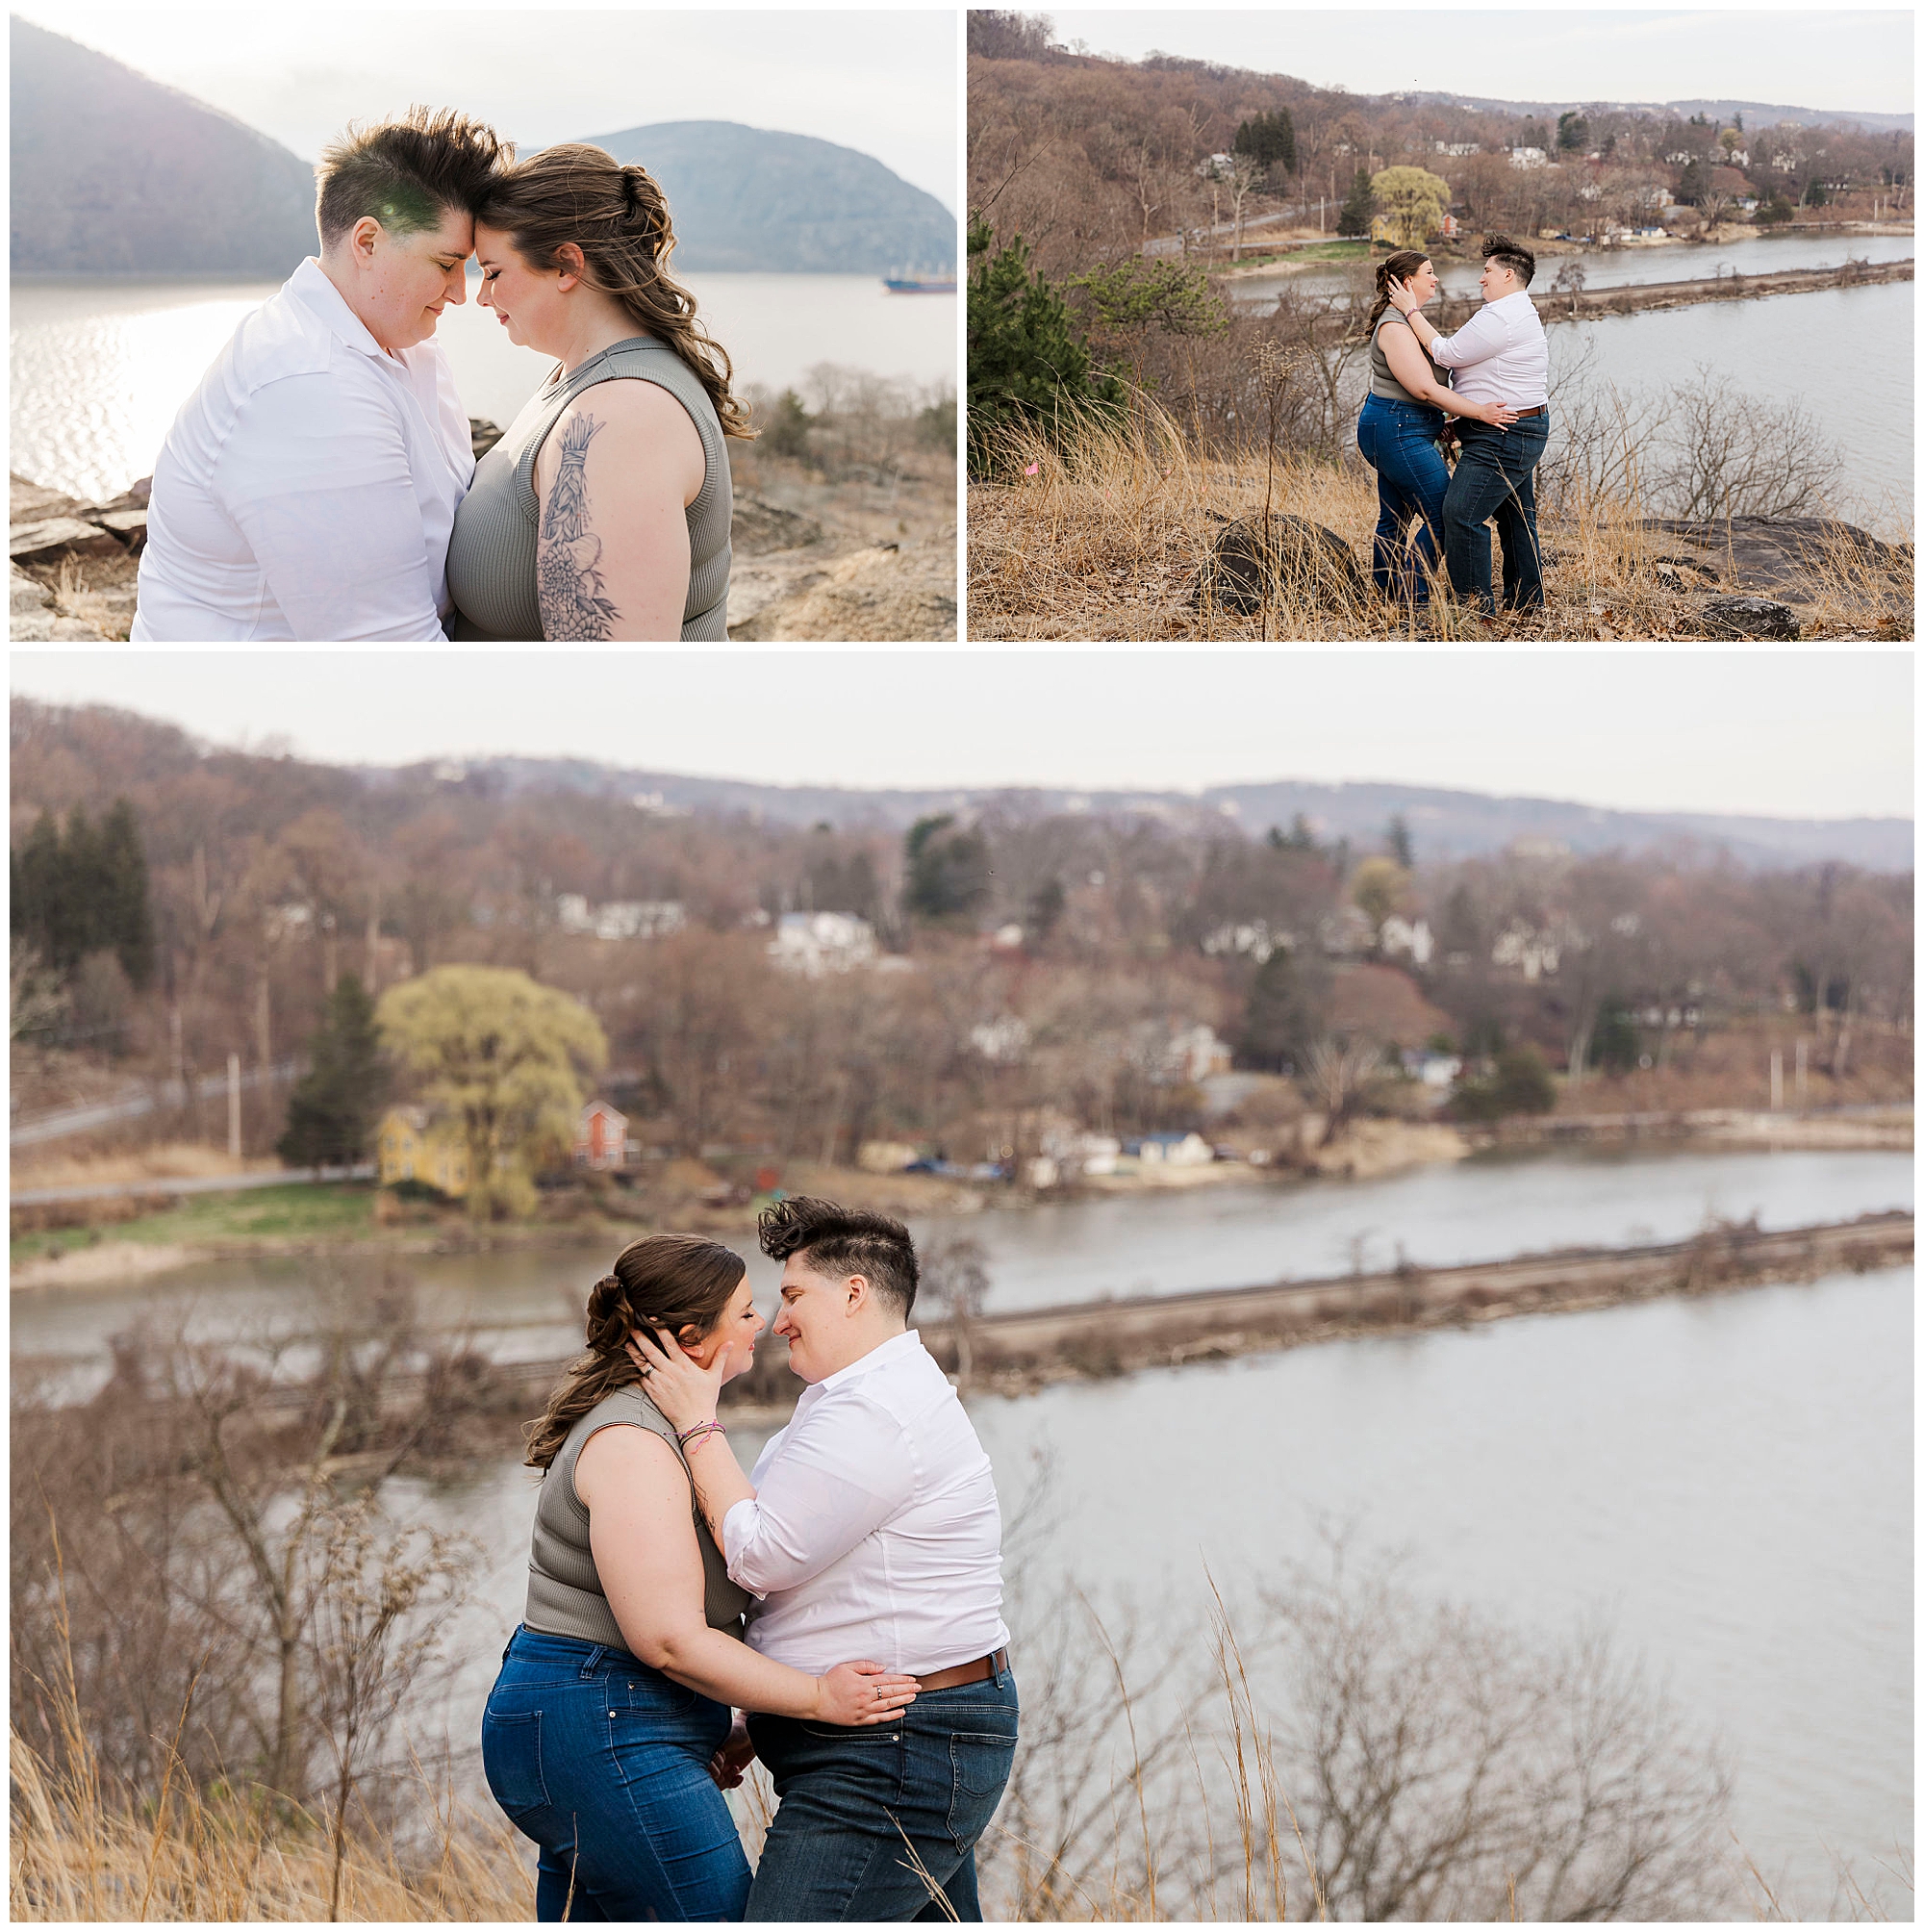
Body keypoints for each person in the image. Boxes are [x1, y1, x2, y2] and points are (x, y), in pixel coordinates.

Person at [480, 1235, 923, 1922]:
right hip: (598, 1730)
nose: (766, 1325)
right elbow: (669, 1642)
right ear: (691, 1337)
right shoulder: (632, 1445)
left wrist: (730, 1716)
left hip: (615, 1727)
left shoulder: (673, 1431)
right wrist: (813, 1698)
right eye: (746, 1313)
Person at [631, 1197, 1017, 1922]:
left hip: (895, 1751)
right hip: (896, 1738)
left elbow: (761, 1554)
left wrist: (694, 1422)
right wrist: (771, 1709)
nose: (778, 1321)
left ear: (854, 1293)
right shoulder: (860, 1398)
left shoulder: (875, 1411)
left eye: (792, 1295)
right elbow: (822, 1585)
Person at [132, 108, 505, 641]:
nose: (459, 293)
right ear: (368, 242)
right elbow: (386, 659)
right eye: (446, 264)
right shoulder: (308, 386)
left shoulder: (404, 346)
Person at [445, 144, 749, 641]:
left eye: (495, 272)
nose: (481, 295)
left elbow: (613, 689)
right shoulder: (581, 380)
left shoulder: (622, 421)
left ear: (566, 266)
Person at [1385, 233, 1552, 622]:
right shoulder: (1520, 310)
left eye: (1487, 271)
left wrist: (1411, 311)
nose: (1481, 278)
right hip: (1515, 427)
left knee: (1461, 514)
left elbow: (1447, 352)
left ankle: (1476, 613)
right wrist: (1463, 419)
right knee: (1516, 517)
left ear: (1508, 275)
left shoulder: (1501, 315)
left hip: (1504, 434)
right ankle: (1527, 603)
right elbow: (1491, 376)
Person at [1354, 248, 1519, 609]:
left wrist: (1441, 422)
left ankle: (1386, 597)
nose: (1436, 278)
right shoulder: (1395, 326)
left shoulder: (1407, 320)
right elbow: (1425, 389)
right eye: (1429, 272)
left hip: (1401, 427)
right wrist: (1479, 412)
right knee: (1444, 514)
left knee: (1394, 518)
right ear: (1408, 282)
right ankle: (1414, 600)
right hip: (1396, 429)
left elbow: (1426, 388)